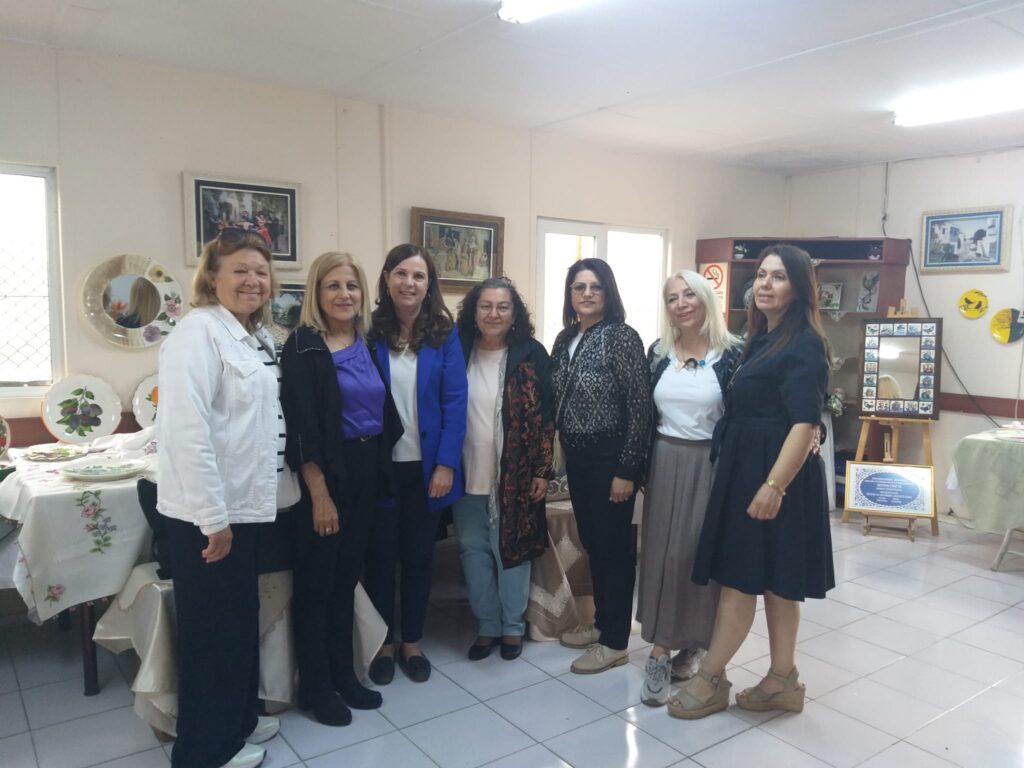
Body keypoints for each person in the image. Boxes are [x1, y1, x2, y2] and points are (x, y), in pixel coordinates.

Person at [669, 243, 834, 720]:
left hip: (775, 475)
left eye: (778, 277)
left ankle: (710, 678)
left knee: (739, 582)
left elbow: (805, 423)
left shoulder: (804, 343)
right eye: (761, 275)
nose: (764, 284)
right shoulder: (762, 338)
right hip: (747, 468)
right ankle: (783, 679)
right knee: (778, 584)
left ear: (799, 288)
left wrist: (774, 486)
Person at [156, 229, 283, 768]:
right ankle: (204, 750)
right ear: (212, 277)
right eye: (240, 270)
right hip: (207, 516)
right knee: (211, 632)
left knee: (236, 623)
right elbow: (188, 433)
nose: (253, 280)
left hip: (244, 508)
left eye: (261, 271)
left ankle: (238, 721)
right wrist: (213, 518)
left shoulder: (249, 335)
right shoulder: (197, 333)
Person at [280, 252, 401, 726]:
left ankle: (343, 673)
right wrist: (320, 494)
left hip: (366, 470)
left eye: (351, 286)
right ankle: (316, 686)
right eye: (333, 285)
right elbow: (302, 426)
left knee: (346, 580)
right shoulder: (303, 346)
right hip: (326, 474)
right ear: (317, 292)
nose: (344, 294)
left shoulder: (366, 342)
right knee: (317, 584)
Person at [364, 243, 468, 684]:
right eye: (401, 274)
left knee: (419, 558)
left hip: (427, 470)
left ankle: (412, 642)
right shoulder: (367, 331)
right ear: (387, 279)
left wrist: (446, 465)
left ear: (429, 285)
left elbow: (455, 402)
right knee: (379, 560)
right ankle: (383, 643)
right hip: (380, 469)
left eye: (419, 276)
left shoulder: (444, 334)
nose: (409, 282)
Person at [637, 270, 741, 706]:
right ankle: (661, 649)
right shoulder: (658, 353)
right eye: (672, 298)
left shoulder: (732, 355)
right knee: (661, 555)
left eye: (688, 295)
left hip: (710, 465)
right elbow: (644, 413)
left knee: (696, 556)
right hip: (664, 461)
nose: (680, 304)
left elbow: (749, 415)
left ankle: (695, 645)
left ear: (705, 300)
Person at [550, 257, 652, 674]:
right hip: (578, 459)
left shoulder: (622, 337)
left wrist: (627, 470)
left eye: (595, 286)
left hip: (612, 458)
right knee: (593, 541)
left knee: (614, 549)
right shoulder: (565, 338)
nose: (587, 293)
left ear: (608, 293)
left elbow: (640, 407)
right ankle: (601, 623)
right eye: (579, 287)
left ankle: (614, 641)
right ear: (570, 294)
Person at [453, 276, 555, 661]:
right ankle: (487, 625)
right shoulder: (458, 350)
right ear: (473, 311)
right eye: (486, 306)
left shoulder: (531, 354)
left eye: (503, 307)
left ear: (515, 314)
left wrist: (542, 470)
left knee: (512, 551)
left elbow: (547, 418)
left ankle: (512, 627)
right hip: (464, 472)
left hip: (516, 475)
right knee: (473, 550)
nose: (493, 314)